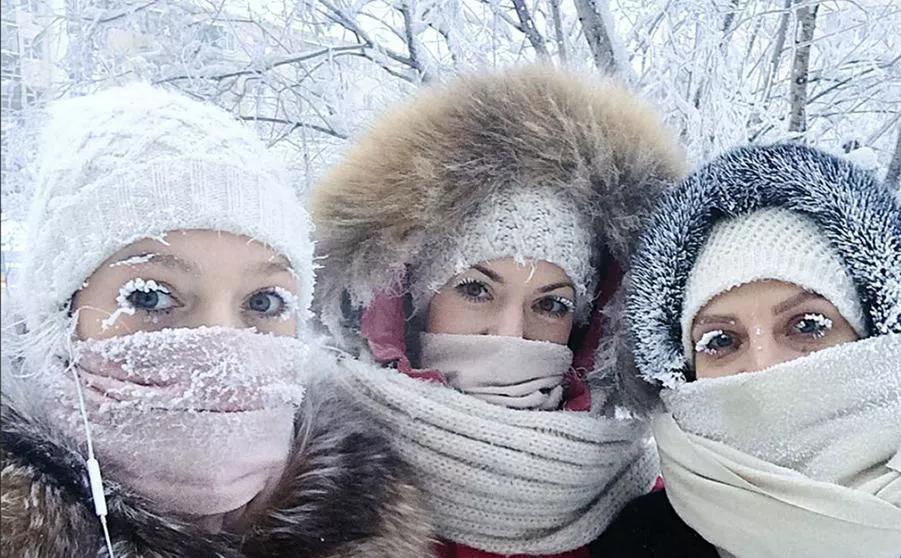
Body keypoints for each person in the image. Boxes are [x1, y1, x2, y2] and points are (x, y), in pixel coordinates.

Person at [0, 84, 432, 557]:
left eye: (264, 302)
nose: (221, 343)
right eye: (150, 296)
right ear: (57, 315)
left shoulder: (368, 514)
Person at [309, 64, 689, 558]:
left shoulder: (652, 521)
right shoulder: (310, 493)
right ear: (407, 306)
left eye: (551, 304)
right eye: (475, 289)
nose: (512, 333)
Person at [592, 143, 901, 558]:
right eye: (722, 341)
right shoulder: (637, 544)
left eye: (808, 325)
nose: (765, 368)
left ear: (880, 338)